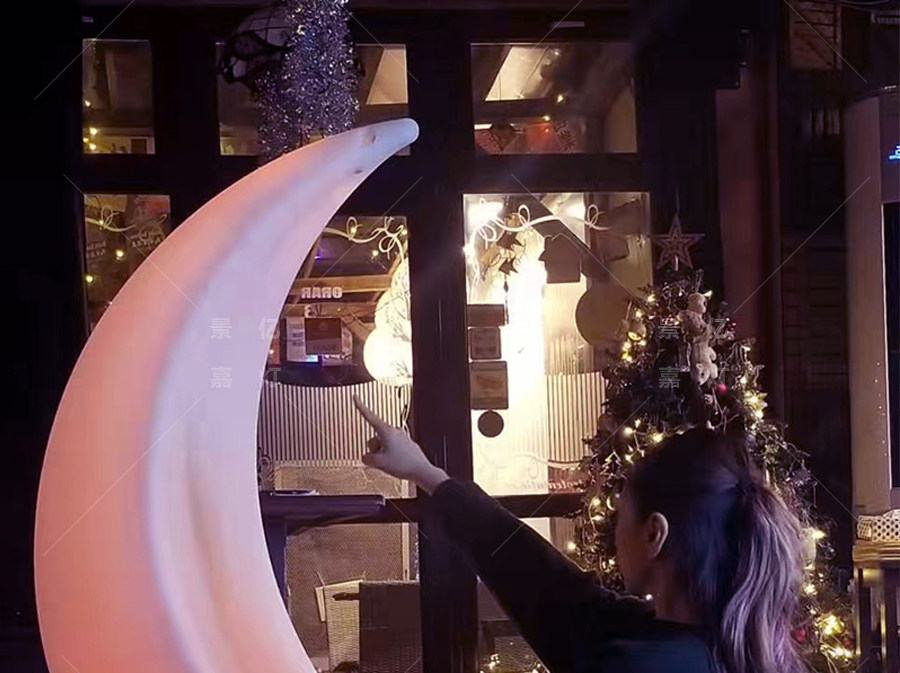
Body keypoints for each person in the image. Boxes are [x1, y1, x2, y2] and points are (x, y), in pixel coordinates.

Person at [353, 396, 808, 673]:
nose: (614, 533)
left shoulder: (637, 663)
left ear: (654, 533)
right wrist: (426, 473)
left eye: (621, 514)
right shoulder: (718, 644)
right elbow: (546, 584)